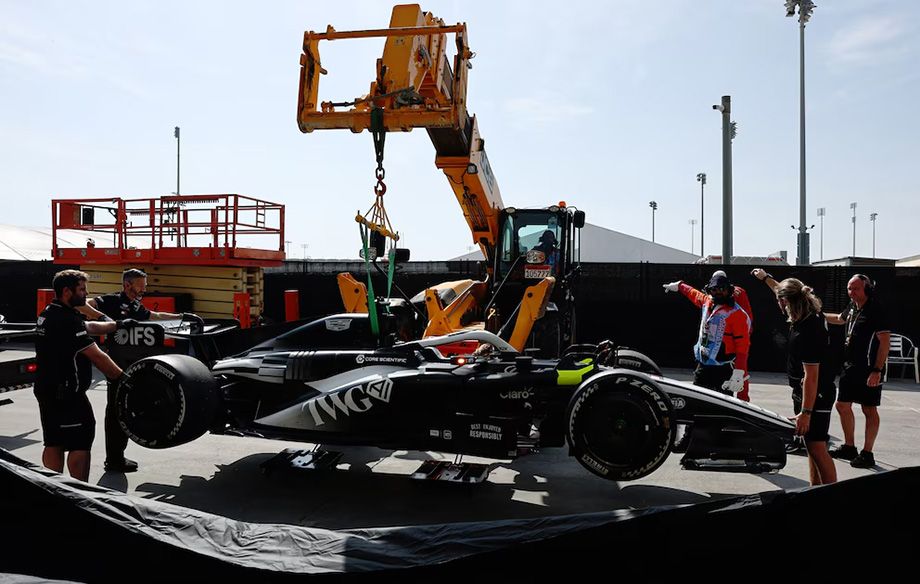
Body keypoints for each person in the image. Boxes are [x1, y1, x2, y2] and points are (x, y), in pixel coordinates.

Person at [78, 267, 186, 473]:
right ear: (127, 285)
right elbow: (83, 306)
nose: (144, 289)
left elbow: (153, 316)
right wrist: (106, 320)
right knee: (115, 410)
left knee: (126, 410)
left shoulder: (135, 305)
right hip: (114, 365)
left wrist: (180, 316)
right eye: (141, 285)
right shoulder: (110, 300)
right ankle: (114, 459)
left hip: (133, 366)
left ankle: (118, 456)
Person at [34, 270, 127, 481]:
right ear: (67, 291)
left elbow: (89, 327)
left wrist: (117, 325)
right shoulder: (68, 319)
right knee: (81, 441)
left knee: (53, 441)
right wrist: (125, 380)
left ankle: (52, 490)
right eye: (82, 289)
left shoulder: (48, 312)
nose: (86, 293)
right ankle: (79, 494)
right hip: (67, 392)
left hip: (46, 388)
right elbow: (98, 356)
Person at [772, 278, 837, 485]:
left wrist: (806, 413)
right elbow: (787, 289)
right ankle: (814, 492)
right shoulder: (806, 317)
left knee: (818, 448)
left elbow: (812, 375)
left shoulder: (809, 329)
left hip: (817, 394)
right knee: (811, 447)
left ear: (786, 302)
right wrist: (765, 278)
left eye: (779, 300)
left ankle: (834, 498)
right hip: (806, 393)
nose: (779, 305)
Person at [824, 274, 890, 469]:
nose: (852, 293)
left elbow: (884, 343)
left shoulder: (877, 309)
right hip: (850, 366)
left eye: (856, 289)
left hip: (870, 368)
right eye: (849, 289)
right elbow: (839, 319)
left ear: (868, 289)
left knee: (869, 409)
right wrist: (816, 313)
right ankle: (849, 446)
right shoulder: (852, 307)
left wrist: (877, 370)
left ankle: (867, 453)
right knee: (842, 405)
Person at [664, 271, 751, 400]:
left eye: (722, 289)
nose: (718, 292)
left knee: (724, 403)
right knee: (698, 399)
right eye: (714, 289)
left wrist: (739, 372)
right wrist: (680, 286)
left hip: (723, 366)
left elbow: (742, 346)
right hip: (703, 364)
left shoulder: (737, 314)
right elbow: (693, 293)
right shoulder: (707, 302)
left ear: (729, 289)